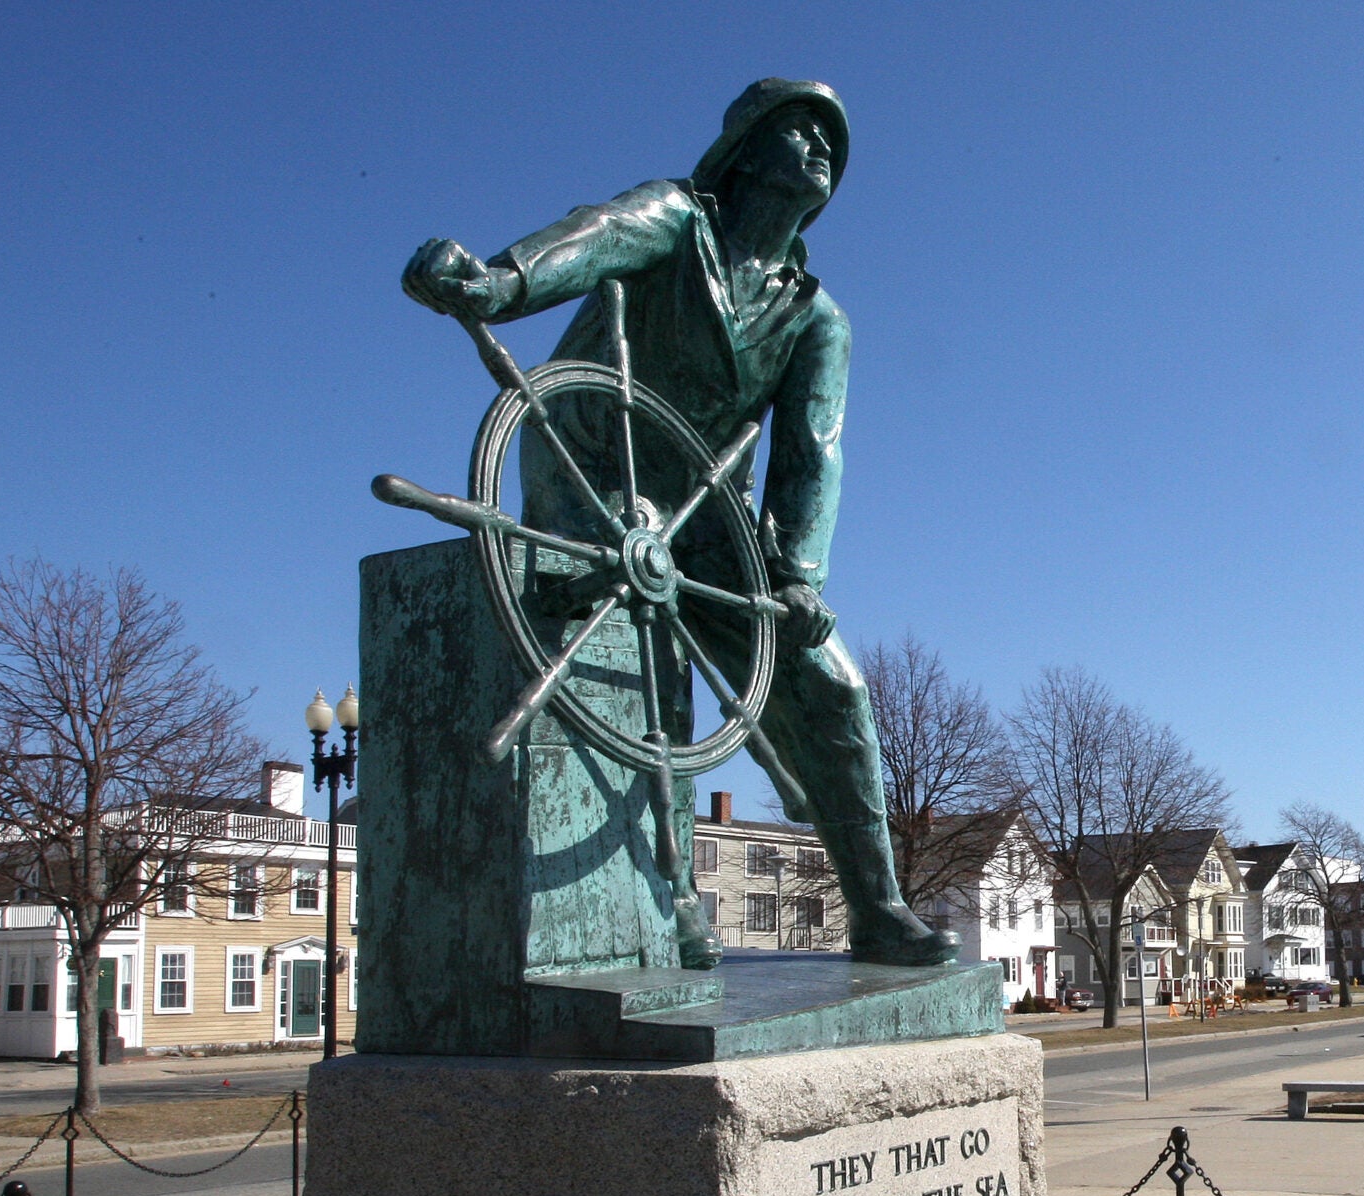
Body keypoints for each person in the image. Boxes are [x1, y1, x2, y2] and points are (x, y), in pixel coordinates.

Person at [399, 79, 956, 968]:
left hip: (706, 514)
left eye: (831, 143)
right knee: (645, 669)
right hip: (594, 460)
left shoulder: (819, 321)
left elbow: (813, 454)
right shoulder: (675, 219)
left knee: (834, 688)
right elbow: (592, 238)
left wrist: (799, 578)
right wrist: (497, 283)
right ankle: (670, 903)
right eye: (798, 131)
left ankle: (878, 907)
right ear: (742, 150)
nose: (820, 149)